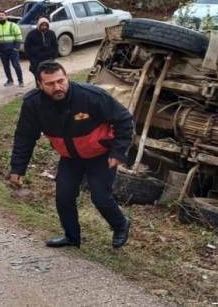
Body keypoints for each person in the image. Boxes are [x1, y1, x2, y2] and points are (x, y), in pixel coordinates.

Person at [8, 61, 133, 249]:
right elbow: (24, 137)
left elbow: (123, 119)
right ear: (39, 85)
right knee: (63, 197)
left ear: (67, 78)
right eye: (50, 84)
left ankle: (121, 225)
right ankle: (72, 237)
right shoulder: (33, 104)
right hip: (70, 158)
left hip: (101, 155)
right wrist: (17, 169)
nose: (57, 87)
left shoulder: (90, 96)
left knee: (100, 197)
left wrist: (118, 152)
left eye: (61, 81)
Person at [0, 11, 25, 87]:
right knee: (6, 66)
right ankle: (10, 80)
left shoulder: (13, 25)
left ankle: (21, 81)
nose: (1, 16)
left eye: (2, 15)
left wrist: (16, 48)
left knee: (16, 65)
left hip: (12, 50)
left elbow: (19, 37)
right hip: (2, 50)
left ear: (6, 16)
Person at [24, 17, 58, 84]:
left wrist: (54, 56)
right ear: (39, 25)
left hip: (49, 60)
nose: (44, 27)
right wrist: (31, 59)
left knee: (49, 77)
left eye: (46, 25)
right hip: (36, 61)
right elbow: (27, 47)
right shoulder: (31, 34)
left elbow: (55, 45)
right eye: (42, 25)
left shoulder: (51, 33)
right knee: (38, 78)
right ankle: (39, 90)